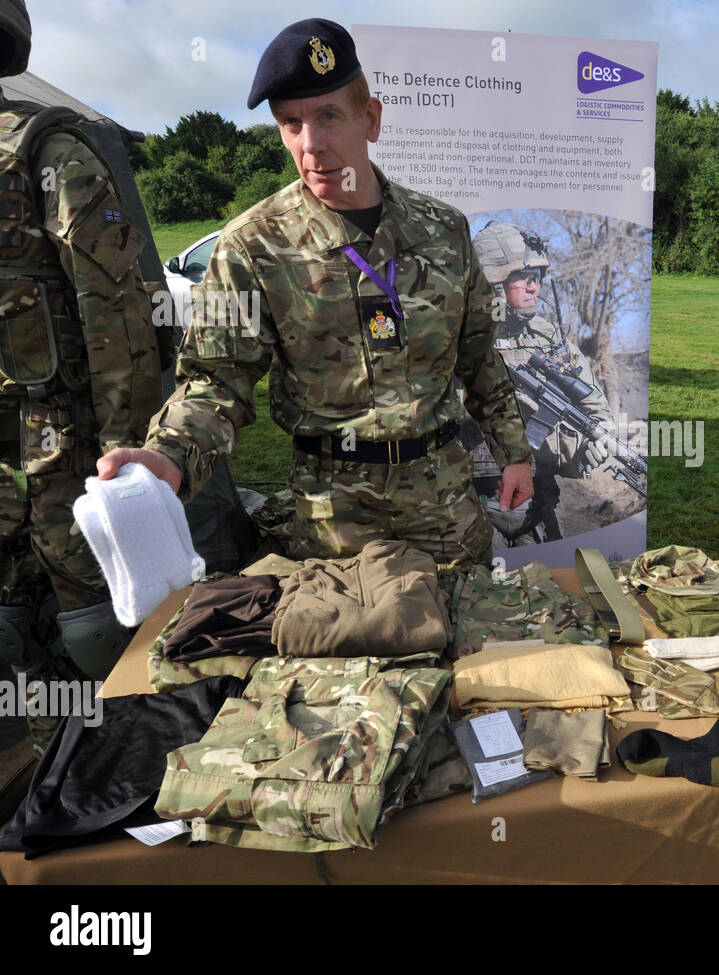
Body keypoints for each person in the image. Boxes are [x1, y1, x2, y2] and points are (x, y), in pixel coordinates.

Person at [98, 18, 533, 571]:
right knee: (345, 654)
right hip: (333, 522)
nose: (311, 145)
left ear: (369, 118)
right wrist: (169, 454)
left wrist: (514, 454)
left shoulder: (443, 230)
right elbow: (216, 380)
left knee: (471, 650)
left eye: (328, 116)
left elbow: (479, 356)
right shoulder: (256, 245)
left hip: (446, 509)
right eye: (291, 123)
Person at [0, 0, 163, 730]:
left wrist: (128, 453)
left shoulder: (46, 151)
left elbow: (118, 315)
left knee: (101, 636)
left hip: (58, 453)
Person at [466, 222, 618, 544]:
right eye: (522, 278)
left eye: (536, 278)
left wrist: (596, 439)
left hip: (538, 502)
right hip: (469, 501)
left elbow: (591, 401)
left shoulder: (547, 336)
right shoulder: (460, 336)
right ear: (492, 284)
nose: (533, 287)